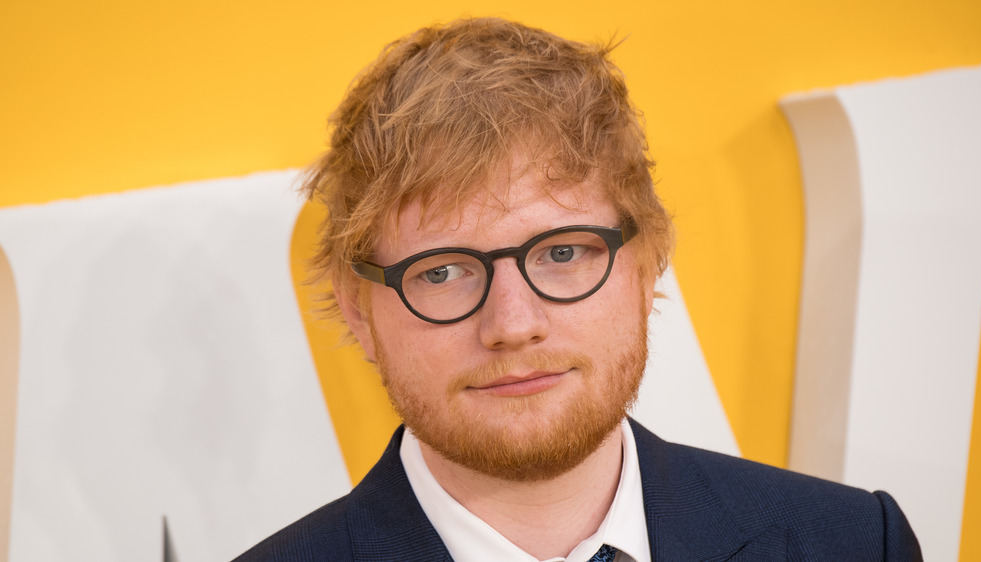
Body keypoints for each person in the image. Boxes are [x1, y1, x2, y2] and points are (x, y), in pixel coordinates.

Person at [236, 17, 921, 562]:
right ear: (359, 309)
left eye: (562, 252)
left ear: (649, 260)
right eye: (442, 272)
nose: (512, 323)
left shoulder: (856, 543)